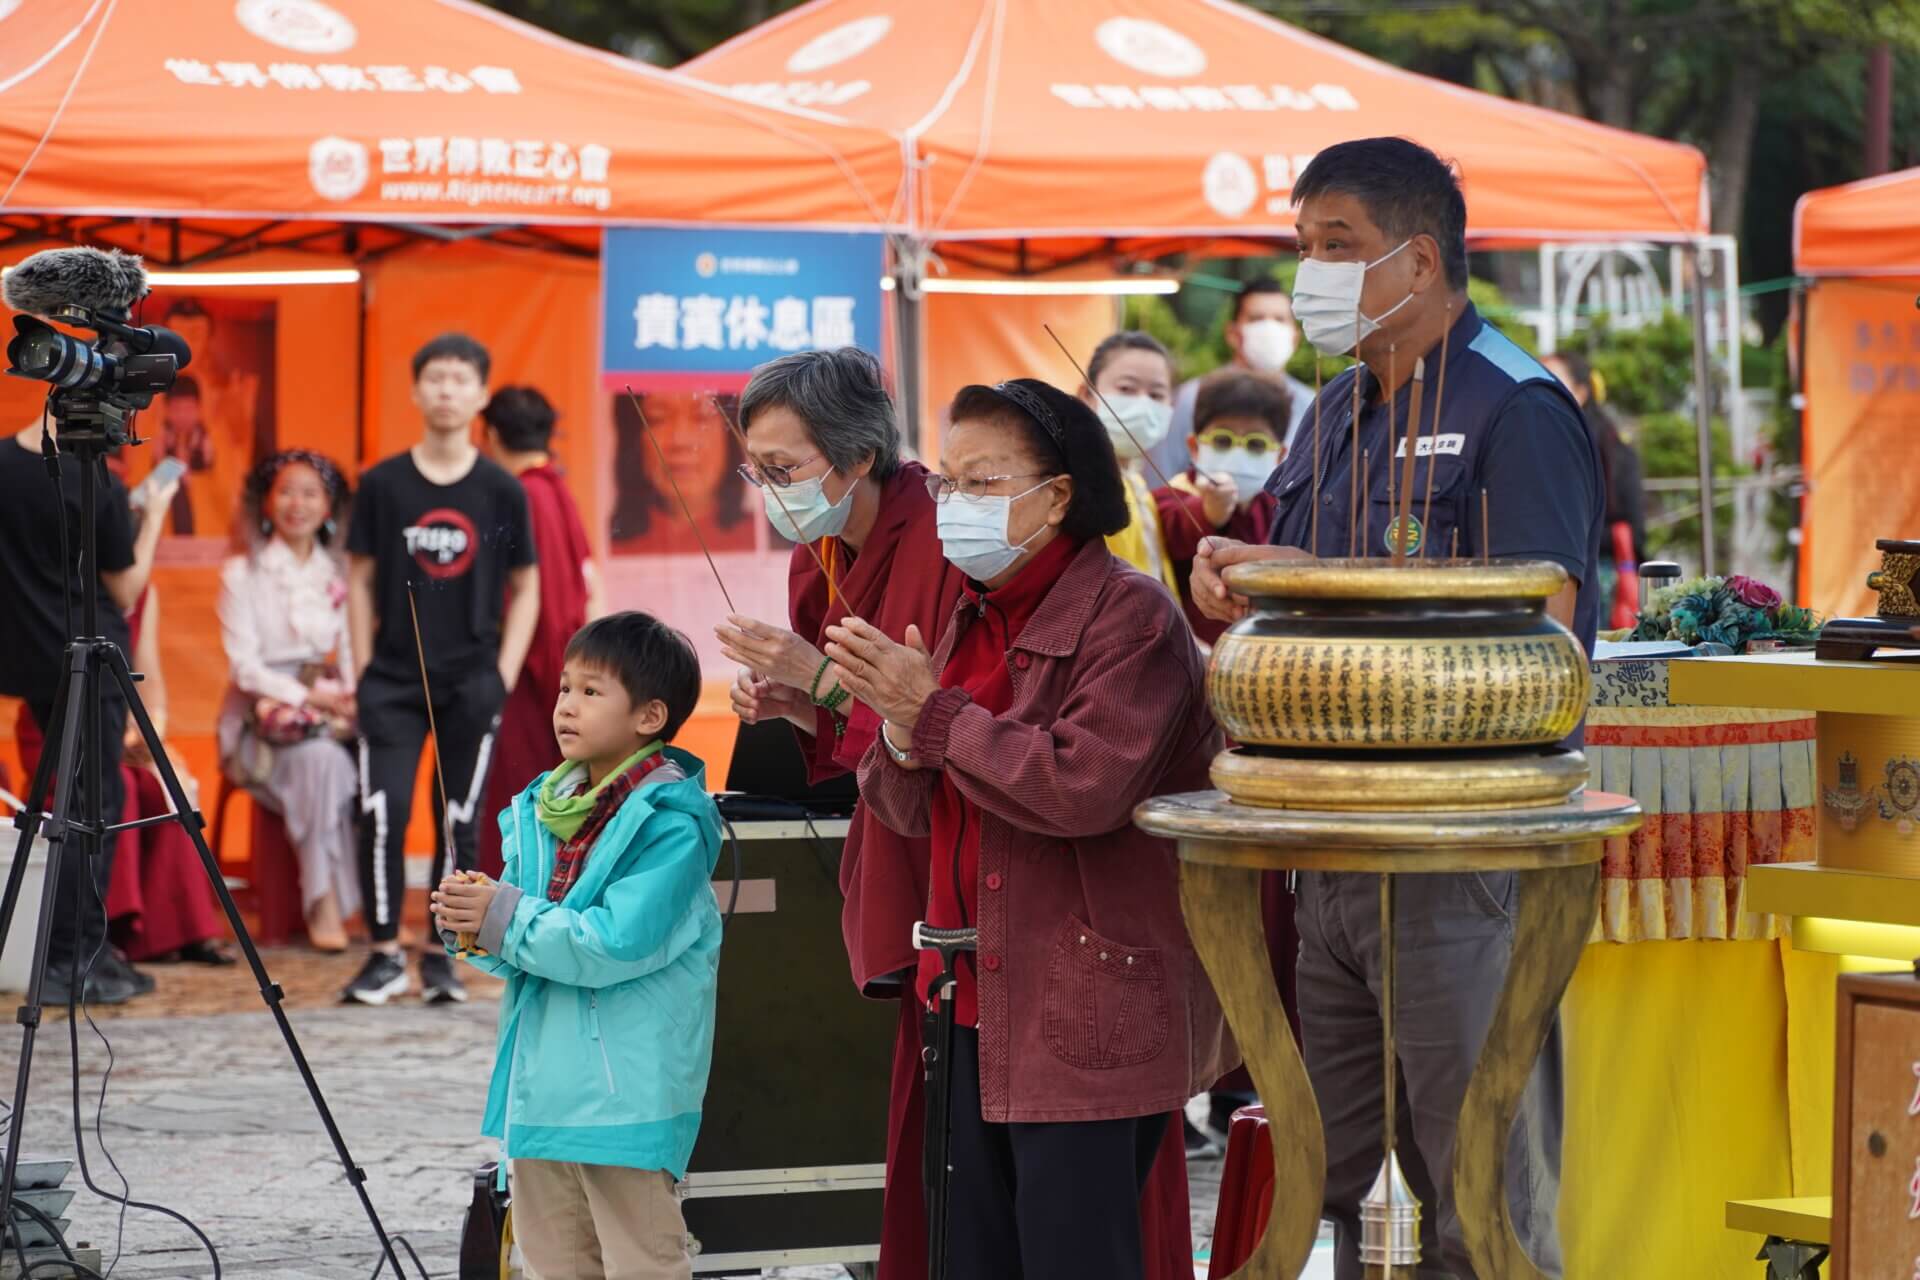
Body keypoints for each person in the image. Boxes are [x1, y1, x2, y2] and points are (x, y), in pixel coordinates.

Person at [1192, 137, 1603, 1278]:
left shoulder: (1515, 406)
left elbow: (1547, 638)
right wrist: (1231, 567)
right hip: (1327, 842)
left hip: (1459, 856)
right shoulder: (1330, 413)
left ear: (1419, 261)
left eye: (1338, 247)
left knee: (1479, 1187)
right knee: (1344, 1188)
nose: (1310, 273)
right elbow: (1281, 580)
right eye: (1303, 246)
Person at [825, 377, 1233, 1280]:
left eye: (982, 483)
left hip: (1081, 1002)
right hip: (967, 995)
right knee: (970, 1257)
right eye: (947, 484)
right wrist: (896, 728)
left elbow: (1081, 789)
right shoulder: (967, 610)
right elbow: (904, 812)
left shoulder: (1132, 619)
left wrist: (928, 716)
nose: (954, 506)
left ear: (1056, 498)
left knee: (1073, 1257)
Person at [714, 346, 968, 1280]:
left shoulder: (946, 537)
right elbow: (850, 726)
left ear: (858, 458)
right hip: (877, 840)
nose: (769, 489)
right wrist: (799, 704)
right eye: (756, 469)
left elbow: (941, 712)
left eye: (783, 469)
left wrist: (816, 677)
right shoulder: (817, 549)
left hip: (960, 847)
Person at [432, 611, 719, 1280]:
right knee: (552, 1264)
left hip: (626, 1099)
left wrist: (505, 914)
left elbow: (614, 943)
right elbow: (530, 946)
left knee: (643, 1262)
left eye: (592, 692)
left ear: (650, 716)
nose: (567, 705)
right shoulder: (545, 806)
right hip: (541, 1091)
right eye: (565, 688)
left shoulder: (673, 824)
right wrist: (474, 925)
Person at [343, 333, 540, 1007]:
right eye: (435, 378)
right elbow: (361, 579)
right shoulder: (381, 484)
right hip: (392, 682)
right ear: (415, 390)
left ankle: (442, 955)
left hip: (473, 680)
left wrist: (503, 674)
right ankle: (382, 955)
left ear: (481, 394)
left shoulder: (501, 489)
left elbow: (528, 585)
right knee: (383, 811)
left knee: (460, 817)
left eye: (461, 379)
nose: (447, 390)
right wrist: (365, 667)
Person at [0, 414, 174, 1005]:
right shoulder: (92, 474)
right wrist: (152, 519)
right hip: (91, 659)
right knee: (92, 807)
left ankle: (68, 950)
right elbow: (125, 589)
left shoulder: (4, 463)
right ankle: (71, 958)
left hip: (31, 662)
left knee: (65, 803)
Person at [217, 449, 362, 951]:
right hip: (264, 720)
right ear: (266, 502)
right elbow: (245, 667)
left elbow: (350, 651)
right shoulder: (242, 573)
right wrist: (310, 697)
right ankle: (323, 903)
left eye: (310, 493)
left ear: (328, 507)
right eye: (285, 491)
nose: (296, 504)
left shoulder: (340, 572)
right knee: (323, 764)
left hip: (332, 713)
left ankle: (365, 907)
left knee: (372, 756)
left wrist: (347, 696)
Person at [476, 386, 603, 878]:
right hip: (554, 669)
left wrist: (562, 686)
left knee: (514, 800)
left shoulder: (526, 495)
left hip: (534, 678)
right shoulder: (555, 489)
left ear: (487, 435)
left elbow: (546, 605)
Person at [1155, 369, 1293, 647]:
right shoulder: (1170, 496)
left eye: (1255, 444)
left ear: (1279, 455)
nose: (1237, 453)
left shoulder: (1279, 506)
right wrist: (1211, 512)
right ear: (1194, 447)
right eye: (1222, 440)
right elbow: (1174, 525)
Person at [1147, 278, 1315, 482]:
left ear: (1294, 337)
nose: (1269, 328)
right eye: (1256, 319)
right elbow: (1160, 475)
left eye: (1279, 319)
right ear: (1233, 333)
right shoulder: (1192, 397)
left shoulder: (1313, 405)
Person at [1544, 352, 1648, 625]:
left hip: (1587, 573)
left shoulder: (1584, 443)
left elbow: (1633, 520)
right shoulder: (1610, 439)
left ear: (1581, 391)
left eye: (1553, 380)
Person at [1078, 331, 1181, 597]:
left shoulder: (1137, 484)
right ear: (1087, 395)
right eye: (1126, 389)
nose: (1143, 403)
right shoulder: (1078, 484)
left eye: (1156, 394)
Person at [609, 392, 756, 556]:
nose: (680, 440)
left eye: (701, 416)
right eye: (658, 418)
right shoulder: (605, 545)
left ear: (730, 435)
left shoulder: (769, 542)